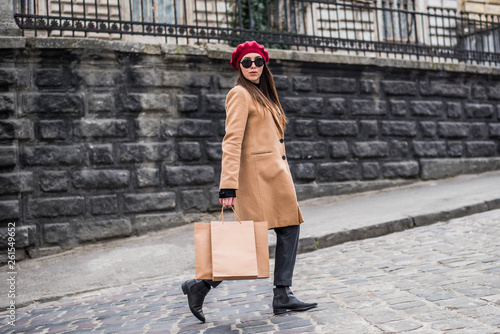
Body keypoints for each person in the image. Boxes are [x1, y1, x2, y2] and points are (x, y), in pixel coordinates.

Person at [181, 41, 317, 323]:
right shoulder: (239, 94)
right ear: (239, 67)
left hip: (275, 179)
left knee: (289, 229)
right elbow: (232, 141)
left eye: (258, 61)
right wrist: (228, 185)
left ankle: (282, 294)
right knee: (247, 242)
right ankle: (200, 285)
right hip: (256, 182)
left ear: (264, 65)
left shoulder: (263, 95)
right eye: (247, 62)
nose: (253, 66)